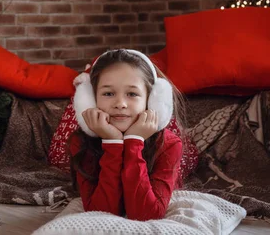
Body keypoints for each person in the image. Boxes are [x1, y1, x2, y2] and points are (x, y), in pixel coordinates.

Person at [68, 49, 187, 221]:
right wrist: (113, 143)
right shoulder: (80, 142)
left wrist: (133, 141)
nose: (120, 104)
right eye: (108, 93)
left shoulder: (169, 144)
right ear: (91, 100)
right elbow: (101, 212)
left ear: (152, 100)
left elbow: (146, 214)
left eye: (132, 94)